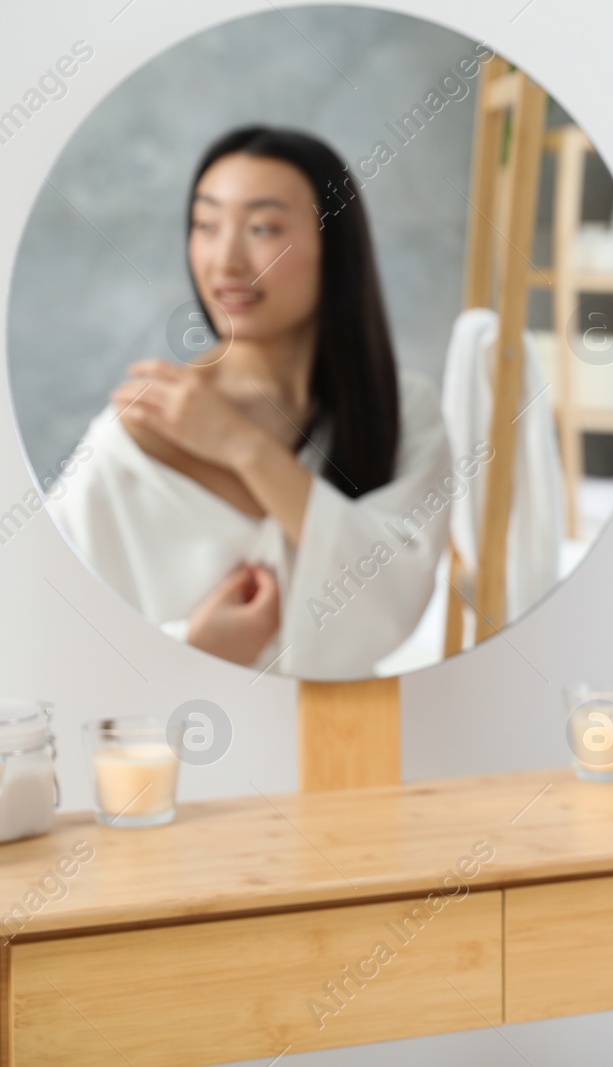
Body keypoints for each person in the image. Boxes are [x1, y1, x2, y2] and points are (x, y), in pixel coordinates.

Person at [48, 126, 453, 680]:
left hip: (347, 750)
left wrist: (243, 447)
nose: (226, 260)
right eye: (206, 225)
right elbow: (44, 638)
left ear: (334, 247)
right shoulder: (140, 433)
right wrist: (192, 648)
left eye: (262, 227)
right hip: (179, 762)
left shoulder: (403, 410)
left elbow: (392, 604)